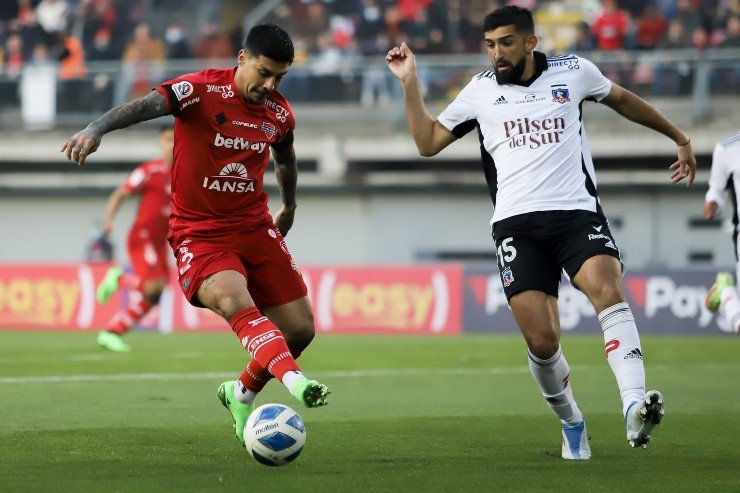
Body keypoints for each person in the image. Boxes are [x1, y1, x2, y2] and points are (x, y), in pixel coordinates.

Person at [386, 5, 696, 460]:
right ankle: (572, 422)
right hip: (516, 226)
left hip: (576, 215)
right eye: (490, 45)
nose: (497, 53)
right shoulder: (480, 91)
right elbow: (427, 142)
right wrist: (409, 82)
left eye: (506, 42)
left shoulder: (574, 71)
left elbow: (624, 100)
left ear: (531, 42)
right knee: (542, 341)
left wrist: (680, 137)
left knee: (607, 290)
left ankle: (633, 404)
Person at [62, 23, 331, 445]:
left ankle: (240, 394)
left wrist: (291, 205)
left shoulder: (279, 114)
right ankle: (296, 382)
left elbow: (286, 158)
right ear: (241, 58)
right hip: (199, 233)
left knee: (300, 329)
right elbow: (143, 105)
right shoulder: (199, 91)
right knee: (232, 298)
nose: (269, 85)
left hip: (255, 227)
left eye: (279, 77)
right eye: (264, 73)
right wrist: (96, 129)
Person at [95, 124, 175, 353]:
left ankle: (112, 332)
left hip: (161, 241)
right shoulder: (150, 170)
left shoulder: (185, 173)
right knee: (153, 286)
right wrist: (108, 221)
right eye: (168, 139)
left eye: (176, 139)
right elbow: (121, 193)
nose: (172, 144)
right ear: (160, 143)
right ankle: (118, 279)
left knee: (155, 293)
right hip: (143, 236)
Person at [703, 130, 740, 334]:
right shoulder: (728, 149)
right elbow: (716, 191)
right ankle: (725, 290)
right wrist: (712, 204)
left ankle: (726, 294)